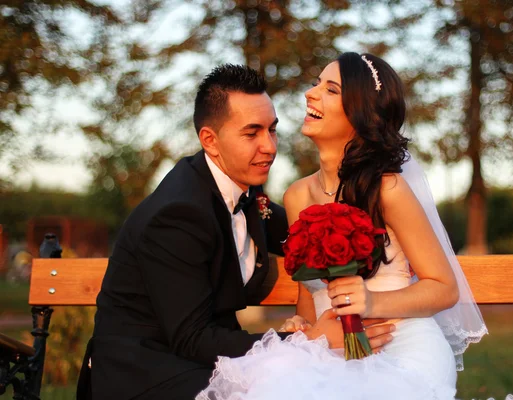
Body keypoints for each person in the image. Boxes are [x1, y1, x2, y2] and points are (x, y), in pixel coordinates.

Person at [197, 53, 513, 400]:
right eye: (315, 83)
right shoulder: (296, 196)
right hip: (329, 352)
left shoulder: (388, 189)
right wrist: (304, 327)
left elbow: (443, 288)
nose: (311, 93)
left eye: (330, 89)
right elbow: (308, 293)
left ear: (359, 112)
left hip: (401, 346)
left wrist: (370, 302)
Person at [76, 64, 395, 400]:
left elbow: (313, 234)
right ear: (210, 141)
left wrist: (382, 235)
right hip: (147, 372)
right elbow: (192, 338)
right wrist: (309, 341)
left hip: (203, 361)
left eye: (272, 130)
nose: (270, 147)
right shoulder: (177, 215)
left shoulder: (247, 192)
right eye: (251, 133)